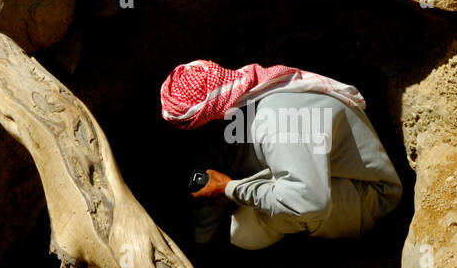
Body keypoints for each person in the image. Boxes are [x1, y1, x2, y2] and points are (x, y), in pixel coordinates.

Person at [160, 60, 403, 250]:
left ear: (206, 117)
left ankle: (318, 256)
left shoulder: (274, 120)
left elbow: (308, 202)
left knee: (243, 232)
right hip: (331, 176)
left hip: (372, 195)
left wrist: (230, 189)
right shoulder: (257, 89)